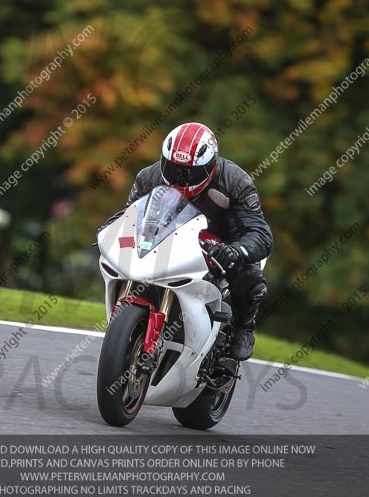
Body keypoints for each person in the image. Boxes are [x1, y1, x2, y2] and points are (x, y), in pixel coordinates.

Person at [99, 122, 273, 360]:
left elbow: (260, 233)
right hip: (170, 237)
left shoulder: (235, 181)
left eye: (190, 172)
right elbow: (129, 215)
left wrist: (235, 250)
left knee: (249, 278)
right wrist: (111, 228)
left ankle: (243, 327)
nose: (180, 177)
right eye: (173, 168)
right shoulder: (148, 177)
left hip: (223, 242)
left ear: (211, 166)